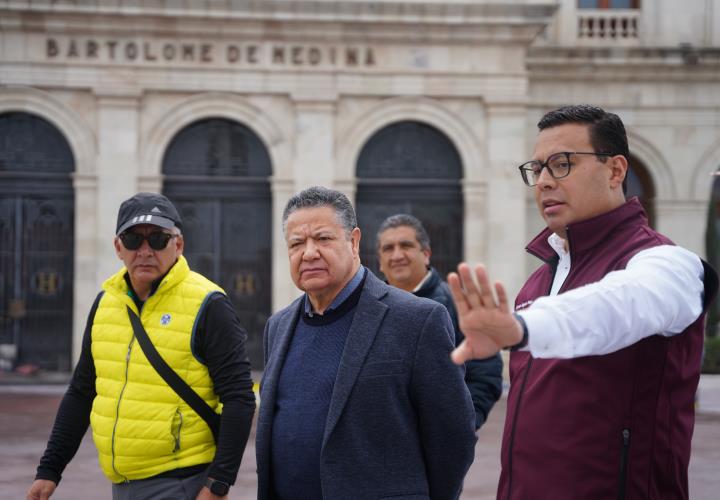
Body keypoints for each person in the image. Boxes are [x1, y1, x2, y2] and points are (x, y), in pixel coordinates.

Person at [448, 105, 719, 499]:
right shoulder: (538, 282)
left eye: (561, 164)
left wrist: (522, 328)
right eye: (537, 169)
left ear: (615, 171)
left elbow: (617, 306)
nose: (543, 181)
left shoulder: (667, 264)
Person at [27, 193, 256, 500]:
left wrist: (218, 483)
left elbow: (239, 397)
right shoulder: (106, 303)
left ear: (179, 245)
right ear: (118, 247)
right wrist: (49, 470)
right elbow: (82, 390)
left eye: (158, 239)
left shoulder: (209, 304)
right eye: (134, 239)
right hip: (123, 484)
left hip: (182, 482)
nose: (145, 251)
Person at [255, 186, 476, 500]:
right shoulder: (277, 327)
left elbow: (453, 437)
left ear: (354, 241)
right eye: (296, 243)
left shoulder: (418, 320)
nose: (309, 253)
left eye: (323, 238)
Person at [376, 213, 503, 429]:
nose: (396, 255)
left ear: (426, 254)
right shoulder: (367, 308)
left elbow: (485, 372)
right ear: (380, 262)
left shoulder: (458, 304)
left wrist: (461, 426)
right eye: (388, 248)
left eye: (405, 245)